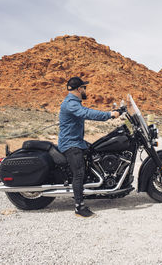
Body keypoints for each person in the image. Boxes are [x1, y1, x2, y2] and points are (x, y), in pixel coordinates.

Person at [58, 76, 120, 218]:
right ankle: (79, 207)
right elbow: (86, 113)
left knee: (96, 152)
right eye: (84, 87)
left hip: (77, 141)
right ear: (79, 89)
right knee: (79, 172)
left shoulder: (73, 102)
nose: (85, 90)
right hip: (70, 143)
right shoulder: (71, 103)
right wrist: (109, 115)